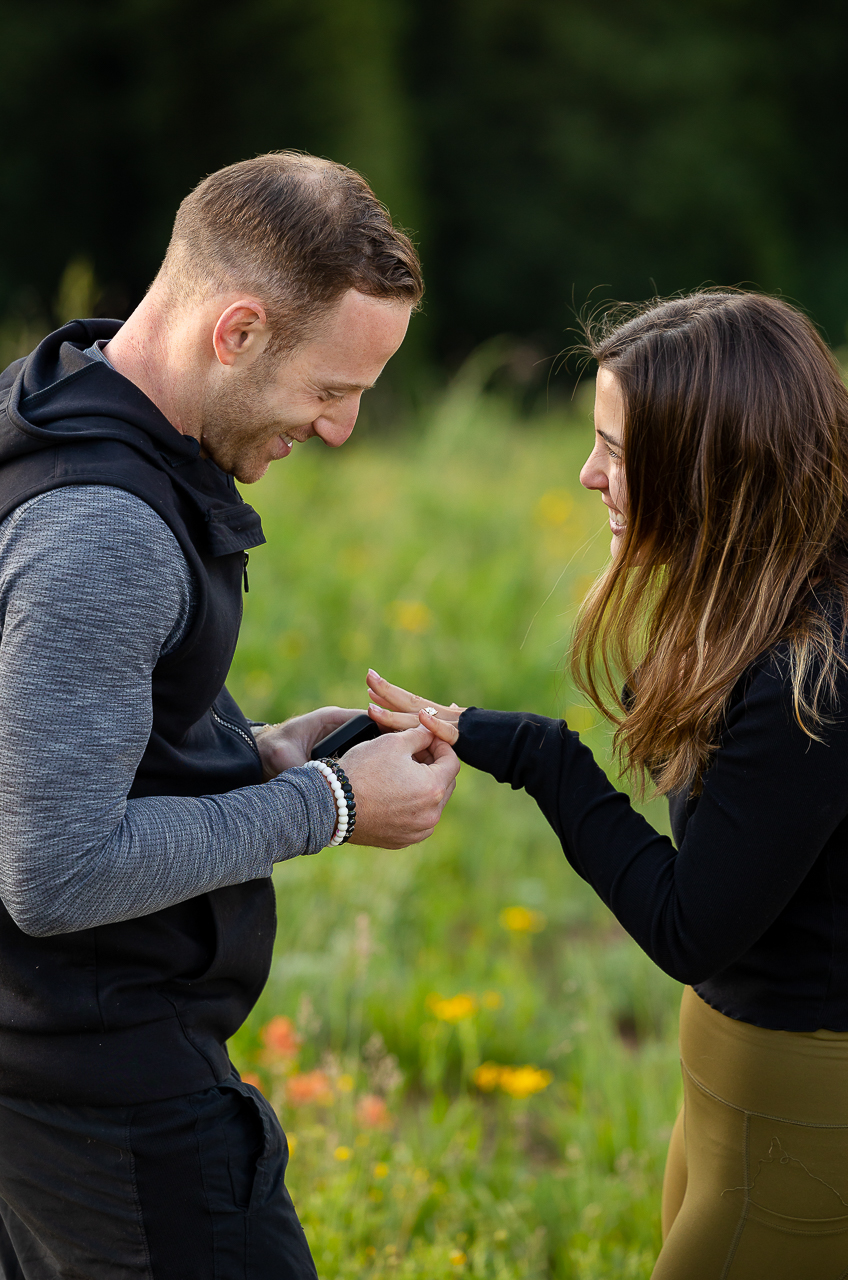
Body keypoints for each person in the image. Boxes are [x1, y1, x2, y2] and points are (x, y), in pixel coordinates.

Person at [0, 152, 459, 1280]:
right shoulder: (101, 529)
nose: (342, 429)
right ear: (238, 331)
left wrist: (252, 754)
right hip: (94, 1081)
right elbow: (54, 870)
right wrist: (331, 803)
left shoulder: (49, 404)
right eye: (333, 389)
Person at [366, 290, 848, 1278]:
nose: (589, 475)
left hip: (797, 1097)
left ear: (712, 466)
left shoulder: (813, 672)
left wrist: (546, 758)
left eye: (617, 450)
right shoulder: (771, 601)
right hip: (735, 1078)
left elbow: (690, 925)